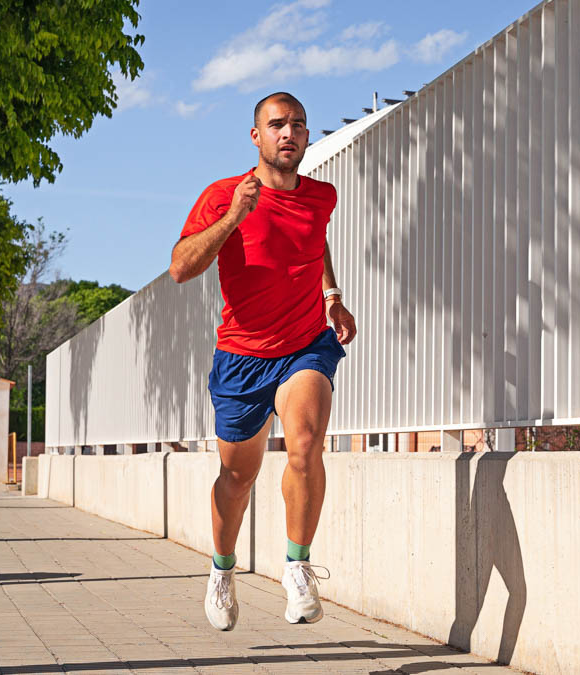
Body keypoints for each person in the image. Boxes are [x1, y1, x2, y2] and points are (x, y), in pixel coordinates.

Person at [168, 91, 357, 630]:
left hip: (305, 343)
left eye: (298, 124)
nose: (289, 133)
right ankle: (222, 571)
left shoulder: (322, 197)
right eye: (277, 124)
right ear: (256, 136)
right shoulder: (223, 195)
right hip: (242, 357)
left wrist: (332, 296)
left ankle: (297, 567)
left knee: (305, 442)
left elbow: (314, 245)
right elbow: (181, 267)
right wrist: (232, 218)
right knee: (237, 475)